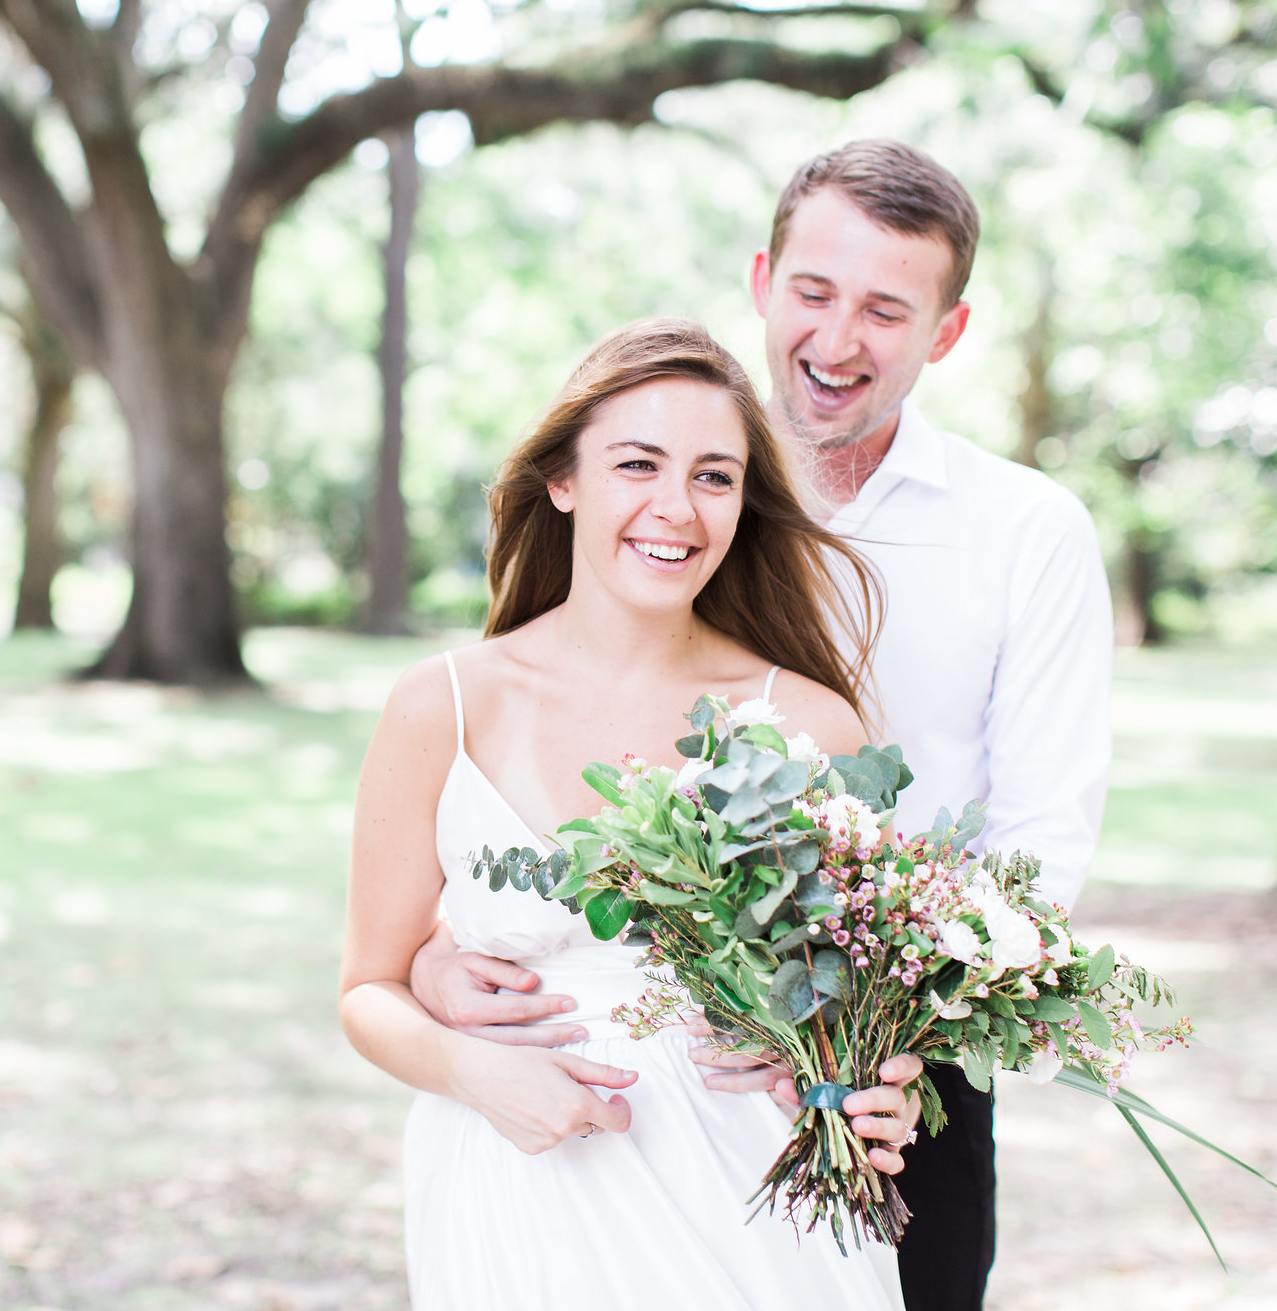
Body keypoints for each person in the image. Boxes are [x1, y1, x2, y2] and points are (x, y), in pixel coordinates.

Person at [407, 141, 1115, 1311]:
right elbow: (535, 735)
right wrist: (437, 947)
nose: (838, 341)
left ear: (943, 331)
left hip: (892, 1076)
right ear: (761, 283)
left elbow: (1038, 838)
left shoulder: (1025, 531)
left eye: (886, 309)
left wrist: (883, 1032)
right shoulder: (666, 493)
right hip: (626, 1082)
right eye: (814, 293)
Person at [338, 319, 924, 1311]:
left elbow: (866, 994)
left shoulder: (809, 720)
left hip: (757, 1200)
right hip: (519, 1188)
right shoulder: (441, 704)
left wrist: (881, 1078)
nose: (675, 509)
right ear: (562, 479)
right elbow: (366, 990)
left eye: (712, 476)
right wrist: (473, 1074)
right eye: (636, 464)